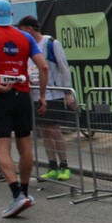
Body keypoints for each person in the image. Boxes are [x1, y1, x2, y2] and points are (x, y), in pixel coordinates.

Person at [0, 0, 49, 219]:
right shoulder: (25, 37)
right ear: (12, 15)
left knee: (2, 147)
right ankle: (25, 192)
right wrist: (42, 95)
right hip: (22, 95)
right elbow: (43, 66)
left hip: (0, 96)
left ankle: (17, 194)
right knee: (25, 145)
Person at [20, 16, 75, 182]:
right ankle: (52, 165)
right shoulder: (26, 46)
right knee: (45, 130)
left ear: (29, 29)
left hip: (53, 93)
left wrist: (67, 91)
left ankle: (64, 165)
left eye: (22, 29)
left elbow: (63, 67)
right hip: (35, 93)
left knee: (55, 129)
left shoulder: (51, 43)